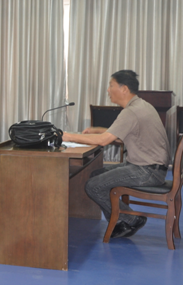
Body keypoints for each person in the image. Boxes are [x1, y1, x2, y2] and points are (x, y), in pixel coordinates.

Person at [62, 70, 169, 239]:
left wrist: (66, 136)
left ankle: (131, 219)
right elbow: (118, 137)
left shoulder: (131, 112)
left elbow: (104, 140)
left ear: (124, 89)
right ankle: (120, 221)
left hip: (147, 172)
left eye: (111, 85)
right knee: (97, 175)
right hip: (151, 167)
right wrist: (96, 130)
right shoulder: (140, 105)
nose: (108, 90)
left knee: (93, 185)